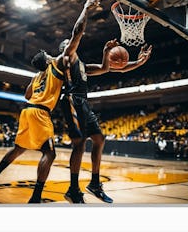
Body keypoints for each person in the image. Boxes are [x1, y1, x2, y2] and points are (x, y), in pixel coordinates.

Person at [0, 0, 102, 204]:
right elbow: (77, 33)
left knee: (18, 149)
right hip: (40, 113)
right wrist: (85, 9)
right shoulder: (58, 64)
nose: (50, 53)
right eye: (47, 53)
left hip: (26, 110)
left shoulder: (36, 77)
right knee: (50, 154)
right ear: (47, 59)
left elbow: (27, 94)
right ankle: (35, 198)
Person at [59, 37, 152, 204]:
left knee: (99, 139)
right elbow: (73, 41)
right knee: (79, 144)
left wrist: (136, 62)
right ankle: (73, 189)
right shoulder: (63, 62)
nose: (71, 44)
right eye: (67, 43)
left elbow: (107, 68)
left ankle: (95, 184)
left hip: (83, 104)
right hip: (71, 101)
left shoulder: (82, 67)